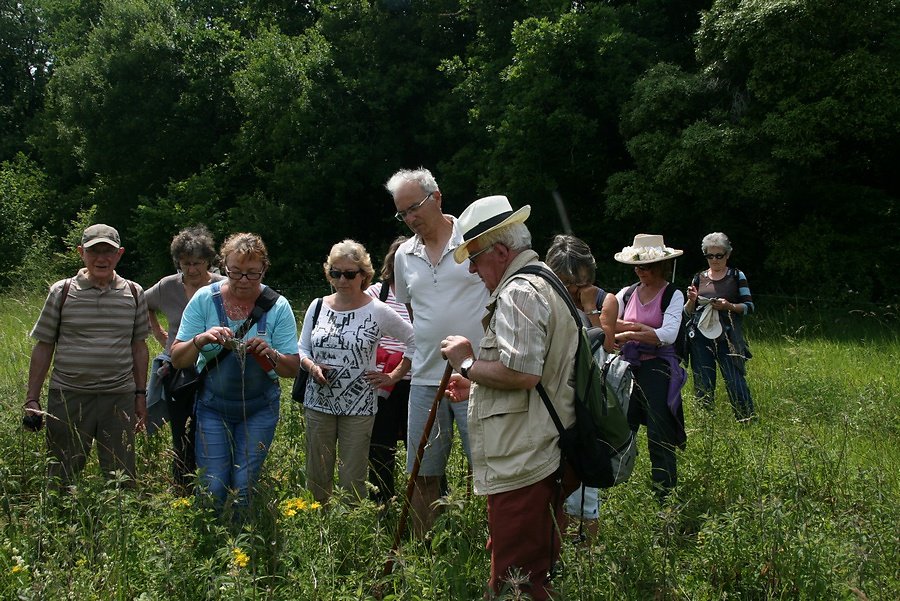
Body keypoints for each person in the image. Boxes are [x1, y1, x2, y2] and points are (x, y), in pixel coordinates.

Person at [440, 195, 578, 601]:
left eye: (475, 257)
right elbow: (539, 372)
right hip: (540, 450)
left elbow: (523, 374)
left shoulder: (519, 291)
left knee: (517, 581)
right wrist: (478, 384)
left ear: (500, 252)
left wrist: (466, 363)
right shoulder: (543, 279)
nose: (471, 268)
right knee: (528, 569)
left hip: (526, 459)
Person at [385, 167, 489, 536]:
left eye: (415, 208)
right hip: (425, 379)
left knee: (487, 469)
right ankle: (423, 550)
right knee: (422, 472)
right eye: (403, 213)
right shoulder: (404, 255)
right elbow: (413, 310)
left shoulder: (473, 239)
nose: (410, 218)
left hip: (477, 375)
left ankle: (491, 550)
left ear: (438, 197)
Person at [170, 233, 300, 510]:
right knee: (213, 485)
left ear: (264, 269)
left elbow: (292, 368)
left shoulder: (277, 306)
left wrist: (271, 354)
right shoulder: (205, 299)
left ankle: (244, 533)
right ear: (223, 266)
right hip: (212, 407)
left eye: (252, 273)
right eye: (235, 272)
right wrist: (200, 340)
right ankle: (210, 532)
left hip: (260, 408)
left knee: (244, 485)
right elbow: (178, 359)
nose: (243, 280)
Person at [23, 224, 149, 486]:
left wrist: (140, 395)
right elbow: (44, 345)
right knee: (61, 475)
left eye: (108, 251)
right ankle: (61, 512)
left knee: (121, 476)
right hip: (69, 395)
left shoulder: (134, 293)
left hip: (118, 397)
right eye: (94, 251)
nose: (101, 258)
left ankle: (119, 513)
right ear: (81, 252)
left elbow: (139, 347)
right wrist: (32, 398)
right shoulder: (62, 291)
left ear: (119, 254)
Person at [298, 239, 415, 503]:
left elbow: (415, 340)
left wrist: (394, 376)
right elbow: (303, 348)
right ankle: (319, 522)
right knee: (317, 474)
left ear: (364, 275)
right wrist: (312, 367)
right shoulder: (318, 306)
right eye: (335, 273)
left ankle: (352, 524)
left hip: (359, 406)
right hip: (318, 403)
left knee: (352, 478)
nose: (342, 280)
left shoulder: (377, 310)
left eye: (350, 274)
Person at [544, 234, 618, 538]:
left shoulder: (604, 300)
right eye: (565, 282)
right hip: (552, 399)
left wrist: (589, 308)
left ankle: (587, 551)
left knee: (585, 483)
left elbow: (607, 344)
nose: (573, 289)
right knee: (554, 480)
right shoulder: (546, 298)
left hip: (586, 400)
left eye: (580, 282)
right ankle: (557, 548)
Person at [145, 225, 225, 490]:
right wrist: (158, 333)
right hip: (179, 366)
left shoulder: (222, 285)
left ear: (209, 261)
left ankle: (214, 484)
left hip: (215, 365)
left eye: (198, 263)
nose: (191, 269)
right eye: (186, 263)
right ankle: (182, 487)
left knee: (211, 428)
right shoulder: (167, 286)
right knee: (181, 432)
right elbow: (143, 303)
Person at [613, 234, 687, 500]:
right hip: (627, 367)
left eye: (645, 266)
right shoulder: (627, 293)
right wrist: (641, 330)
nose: (640, 271)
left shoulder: (673, 294)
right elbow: (607, 322)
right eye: (637, 266)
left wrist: (626, 331)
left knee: (659, 432)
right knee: (621, 427)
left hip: (658, 369)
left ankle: (664, 493)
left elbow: (667, 334)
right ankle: (616, 485)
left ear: (660, 266)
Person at [684, 232, 756, 421]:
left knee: (735, 382)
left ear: (727, 254)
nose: (714, 260)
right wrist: (691, 300)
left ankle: (747, 420)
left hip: (729, 338)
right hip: (700, 338)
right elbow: (688, 312)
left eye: (719, 255)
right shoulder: (699, 278)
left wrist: (728, 306)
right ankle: (705, 424)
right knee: (703, 384)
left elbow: (749, 307)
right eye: (710, 256)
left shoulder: (736, 275)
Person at [365, 236, 413, 506]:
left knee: (420, 446)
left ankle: (425, 502)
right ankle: (381, 502)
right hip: (381, 384)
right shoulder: (375, 294)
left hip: (416, 381)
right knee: (380, 446)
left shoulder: (426, 295)